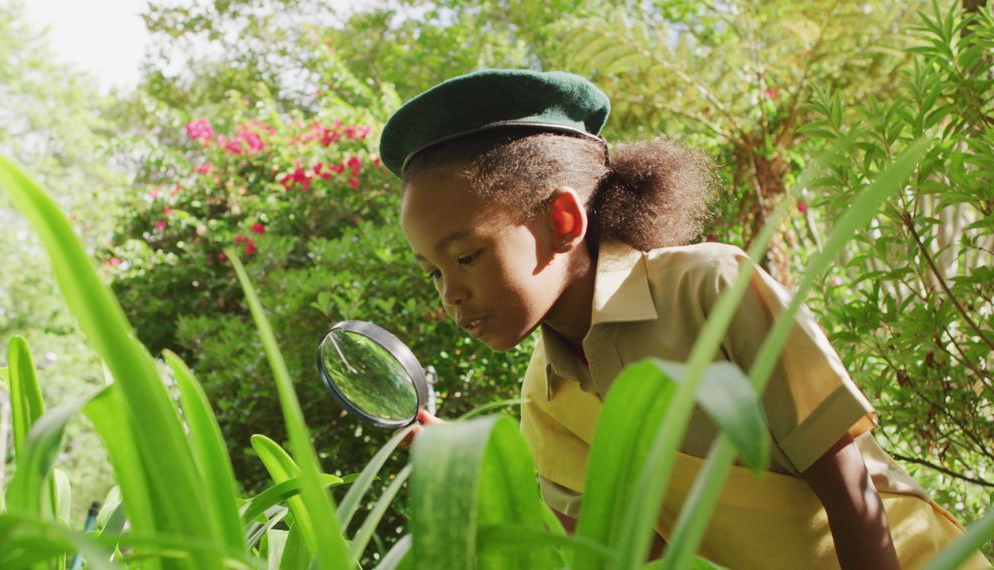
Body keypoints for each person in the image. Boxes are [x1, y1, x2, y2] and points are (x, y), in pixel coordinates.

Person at [378, 69, 990, 569]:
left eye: (465, 256)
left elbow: (849, 491)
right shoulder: (544, 402)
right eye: (434, 272)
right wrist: (488, 481)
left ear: (563, 221)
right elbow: (634, 558)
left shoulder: (710, 288)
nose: (450, 294)